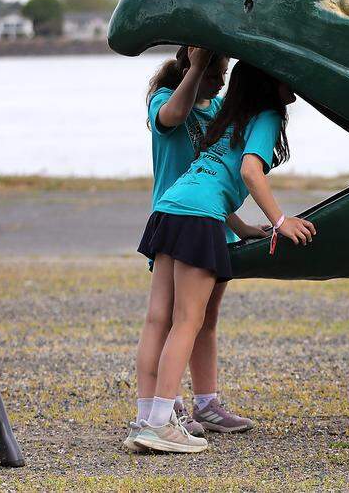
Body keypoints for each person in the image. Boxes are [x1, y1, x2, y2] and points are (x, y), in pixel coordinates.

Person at [131, 62, 316, 453]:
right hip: (197, 218)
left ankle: (146, 418)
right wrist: (280, 220)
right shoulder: (265, 115)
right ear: (269, 83)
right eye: (288, 75)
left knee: (158, 319)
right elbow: (250, 172)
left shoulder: (228, 118)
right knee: (188, 321)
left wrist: (242, 225)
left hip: (169, 209)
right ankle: (161, 425)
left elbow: (206, 179)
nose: (294, 83)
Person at [125, 47, 267, 453]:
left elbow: (217, 171)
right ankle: (159, 412)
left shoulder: (220, 108)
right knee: (169, 319)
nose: (220, 82)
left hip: (213, 224)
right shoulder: (164, 99)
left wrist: (239, 225)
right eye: (214, 73)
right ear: (192, 67)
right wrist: (197, 68)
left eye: (223, 73)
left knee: (203, 319)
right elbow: (171, 118)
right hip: (177, 222)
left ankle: (205, 404)